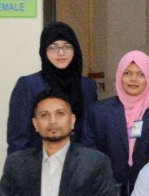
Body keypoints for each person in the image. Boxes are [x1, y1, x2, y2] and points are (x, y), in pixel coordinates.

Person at [7, 22, 99, 154]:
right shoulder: (28, 85)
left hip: (79, 161)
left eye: (67, 46)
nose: (61, 52)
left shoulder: (87, 86)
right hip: (38, 160)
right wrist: (21, 165)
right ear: (44, 51)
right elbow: (18, 139)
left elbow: (90, 132)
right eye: (53, 47)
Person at [85, 51, 149, 193]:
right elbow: (90, 156)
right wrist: (113, 193)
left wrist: (141, 194)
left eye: (141, 74)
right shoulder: (98, 112)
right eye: (127, 73)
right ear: (119, 76)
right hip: (106, 193)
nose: (133, 79)